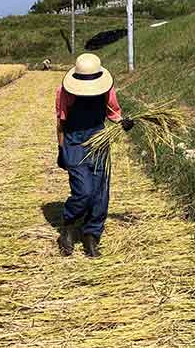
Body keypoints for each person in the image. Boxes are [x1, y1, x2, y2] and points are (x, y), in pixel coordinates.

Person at [55, 53, 133, 257]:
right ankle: (69, 226)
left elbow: (113, 113)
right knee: (84, 191)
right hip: (75, 142)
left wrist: (123, 123)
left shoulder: (106, 89)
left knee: (100, 192)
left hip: (99, 141)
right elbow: (61, 123)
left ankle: (92, 234)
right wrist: (61, 149)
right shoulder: (64, 92)